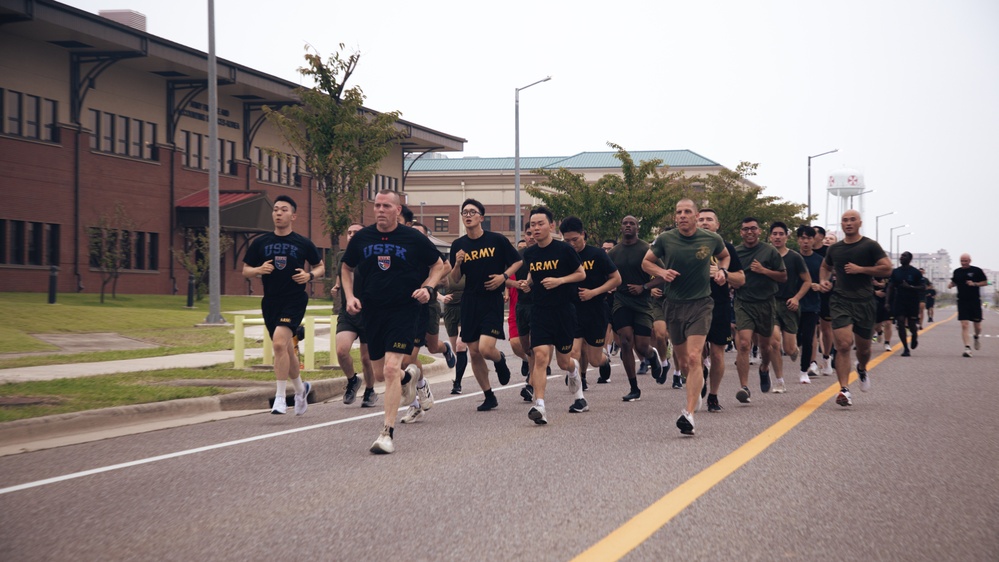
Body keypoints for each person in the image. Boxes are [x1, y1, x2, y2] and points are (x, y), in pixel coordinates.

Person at [341, 190, 445, 454]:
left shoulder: (412, 238)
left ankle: (386, 433)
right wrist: (350, 295)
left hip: (404, 309)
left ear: (398, 210)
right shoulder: (363, 238)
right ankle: (409, 376)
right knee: (380, 374)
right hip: (372, 311)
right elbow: (346, 267)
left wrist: (429, 289)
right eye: (377, 205)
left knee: (389, 369)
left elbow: (438, 265)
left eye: (386, 206)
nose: (380, 210)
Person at [643, 199, 729, 435]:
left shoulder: (711, 239)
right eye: (678, 212)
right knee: (683, 363)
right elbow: (646, 262)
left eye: (687, 212)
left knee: (694, 357)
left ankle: (688, 413)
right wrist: (662, 272)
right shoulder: (665, 239)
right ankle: (695, 391)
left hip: (701, 304)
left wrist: (722, 271)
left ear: (696, 215)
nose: (682, 215)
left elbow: (725, 256)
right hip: (673, 305)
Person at [242, 195, 325, 416]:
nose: (278, 213)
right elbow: (246, 270)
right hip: (271, 301)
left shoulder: (303, 242)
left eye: (283, 210)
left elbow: (320, 267)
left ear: (293, 215)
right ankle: (301, 388)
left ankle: (280, 398)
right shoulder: (261, 242)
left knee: (279, 344)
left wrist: (309, 276)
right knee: (285, 348)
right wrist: (259, 270)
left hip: (294, 299)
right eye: (276, 209)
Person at [449, 199, 522, 411]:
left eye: (472, 212)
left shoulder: (497, 240)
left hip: (491, 299)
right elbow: (454, 279)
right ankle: (489, 395)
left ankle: (500, 361)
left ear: (481, 217)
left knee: (486, 348)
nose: (468, 215)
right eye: (465, 212)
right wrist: (458, 263)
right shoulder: (458, 245)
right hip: (470, 301)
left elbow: (517, 261)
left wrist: (504, 276)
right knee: (473, 352)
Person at [519, 206, 587, 423]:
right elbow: (534, 270)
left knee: (563, 362)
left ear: (551, 225)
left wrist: (559, 280)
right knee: (540, 356)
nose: (536, 228)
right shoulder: (529, 253)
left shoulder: (565, 250)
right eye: (532, 225)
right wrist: (528, 282)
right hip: (539, 311)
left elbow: (580, 274)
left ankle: (574, 373)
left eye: (540, 224)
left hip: (563, 311)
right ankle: (539, 405)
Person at [819, 210, 892, 407]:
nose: (848, 223)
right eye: (845, 220)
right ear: (841, 224)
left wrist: (862, 270)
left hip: (865, 302)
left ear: (859, 222)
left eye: (852, 220)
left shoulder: (870, 246)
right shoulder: (835, 249)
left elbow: (887, 268)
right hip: (840, 301)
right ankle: (844, 390)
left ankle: (861, 368)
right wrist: (824, 280)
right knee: (843, 345)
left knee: (864, 348)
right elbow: (825, 267)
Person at [399, 222, 457, 424]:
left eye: (419, 234)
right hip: (405, 309)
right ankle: (418, 396)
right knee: (407, 360)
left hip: (428, 307)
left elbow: (445, 274)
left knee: (431, 347)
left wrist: (430, 284)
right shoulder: (401, 250)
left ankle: (445, 348)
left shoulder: (431, 254)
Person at [559, 217, 620, 396]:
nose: (571, 244)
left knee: (594, 358)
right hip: (573, 310)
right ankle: (579, 378)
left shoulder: (597, 254)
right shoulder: (563, 255)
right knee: (575, 351)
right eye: (567, 240)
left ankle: (605, 360)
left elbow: (616, 279)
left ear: (583, 235)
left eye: (575, 240)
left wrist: (594, 292)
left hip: (596, 310)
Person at [607, 215, 666, 402]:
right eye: (625, 223)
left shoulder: (646, 250)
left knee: (641, 345)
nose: (628, 226)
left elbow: (662, 275)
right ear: (621, 227)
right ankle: (634, 387)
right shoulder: (613, 252)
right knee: (625, 341)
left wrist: (644, 287)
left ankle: (652, 355)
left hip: (642, 302)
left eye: (632, 223)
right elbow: (605, 273)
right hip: (621, 300)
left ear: (637, 228)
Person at [733, 217, 786, 403]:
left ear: (759, 231)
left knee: (766, 346)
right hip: (743, 303)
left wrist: (764, 271)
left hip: (765, 303)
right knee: (744, 344)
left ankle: (764, 369)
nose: (749, 232)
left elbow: (783, 277)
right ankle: (744, 388)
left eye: (753, 228)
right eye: (746, 229)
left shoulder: (769, 251)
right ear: (741, 232)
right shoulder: (735, 252)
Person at [696, 208, 745, 412]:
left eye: (709, 220)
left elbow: (741, 279)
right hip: (694, 305)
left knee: (717, 354)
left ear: (717, 225)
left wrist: (723, 273)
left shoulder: (727, 249)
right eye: (701, 220)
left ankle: (713, 396)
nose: (705, 223)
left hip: (720, 305)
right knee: (694, 354)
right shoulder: (688, 246)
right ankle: (700, 379)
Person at [330, 223, 376, 407]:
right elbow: (343, 273)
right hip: (348, 311)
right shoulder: (343, 256)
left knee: (366, 358)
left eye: (356, 232)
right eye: (349, 232)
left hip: (369, 312)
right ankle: (352, 380)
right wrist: (337, 286)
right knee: (341, 351)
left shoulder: (371, 255)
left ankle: (370, 390)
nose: (351, 235)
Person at [763, 221, 810, 393]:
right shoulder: (765, 255)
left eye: (781, 234)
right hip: (770, 303)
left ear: (786, 237)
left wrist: (797, 298)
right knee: (774, 342)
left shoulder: (795, 257)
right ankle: (779, 380)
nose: (777, 237)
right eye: (774, 234)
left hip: (789, 305)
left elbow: (807, 281)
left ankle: (794, 349)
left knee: (789, 349)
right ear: (770, 236)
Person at [794, 225, 823, 383]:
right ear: (798, 240)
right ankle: (793, 350)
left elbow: (826, 282)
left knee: (807, 339)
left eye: (809, 238)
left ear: (814, 240)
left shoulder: (820, 261)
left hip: (811, 305)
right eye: (803, 238)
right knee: (793, 340)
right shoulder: (793, 258)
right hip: (792, 304)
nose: (805, 241)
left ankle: (804, 370)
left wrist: (819, 286)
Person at [886, 251, 926, 357]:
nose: (901, 257)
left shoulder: (915, 272)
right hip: (899, 300)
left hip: (912, 301)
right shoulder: (896, 272)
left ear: (910, 259)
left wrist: (910, 287)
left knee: (912, 325)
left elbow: (923, 287)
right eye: (901, 256)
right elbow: (890, 287)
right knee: (900, 322)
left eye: (904, 256)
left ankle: (914, 335)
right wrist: (887, 302)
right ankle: (905, 348)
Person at [948, 253, 987, 357]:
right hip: (962, 301)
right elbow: (955, 282)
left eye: (965, 261)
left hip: (974, 301)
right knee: (964, 324)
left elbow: (986, 282)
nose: (963, 263)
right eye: (962, 261)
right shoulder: (957, 272)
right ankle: (967, 348)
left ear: (970, 260)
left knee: (977, 326)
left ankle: (976, 337)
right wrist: (951, 285)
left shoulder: (977, 271)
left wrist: (975, 284)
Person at [440, 274, 469, 394]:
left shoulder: (467, 268)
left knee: (460, 345)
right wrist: (441, 298)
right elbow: (429, 286)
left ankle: (457, 383)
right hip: (450, 310)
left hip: (466, 307)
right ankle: (449, 350)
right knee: (456, 349)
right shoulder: (444, 270)